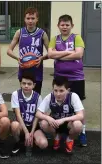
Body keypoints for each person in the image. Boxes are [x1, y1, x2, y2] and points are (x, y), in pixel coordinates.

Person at [47, 14, 87, 146]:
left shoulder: (77, 37)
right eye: (62, 25)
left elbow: (79, 54)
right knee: (59, 102)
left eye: (67, 24)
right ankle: (61, 129)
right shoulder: (55, 39)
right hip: (60, 76)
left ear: (72, 26)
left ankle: (82, 132)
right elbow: (50, 54)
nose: (64, 27)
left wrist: (59, 56)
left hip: (76, 77)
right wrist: (70, 52)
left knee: (78, 106)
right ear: (58, 26)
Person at [35, 76, 84, 154]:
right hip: (55, 124)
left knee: (78, 125)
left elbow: (81, 115)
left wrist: (63, 119)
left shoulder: (73, 96)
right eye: (55, 90)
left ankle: (70, 139)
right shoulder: (50, 97)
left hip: (69, 124)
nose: (58, 94)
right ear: (53, 90)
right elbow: (37, 113)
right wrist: (48, 118)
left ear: (67, 90)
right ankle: (56, 137)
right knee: (43, 123)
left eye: (61, 91)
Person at [7, 7, 49, 94]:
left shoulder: (42, 33)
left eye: (33, 18)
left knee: (36, 97)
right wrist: (18, 58)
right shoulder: (20, 32)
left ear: (37, 19)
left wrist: (41, 58)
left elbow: (51, 53)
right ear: (24, 19)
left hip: (37, 72)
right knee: (24, 97)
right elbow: (9, 51)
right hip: (23, 70)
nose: (30, 21)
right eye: (28, 18)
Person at [10, 71, 48, 156]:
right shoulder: (15, 94)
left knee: (43, 144)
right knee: (14, 125)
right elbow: (18, 115)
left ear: (34, 85)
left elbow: (37, 117)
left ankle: (31, 140)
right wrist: (26, 132)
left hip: (33, 125)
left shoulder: (38, 97)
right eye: (24, 83)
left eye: (29, 84)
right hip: (21, 125)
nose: (26, 86)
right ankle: (18, 142)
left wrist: (31, 132)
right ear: (20, 84)